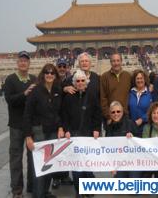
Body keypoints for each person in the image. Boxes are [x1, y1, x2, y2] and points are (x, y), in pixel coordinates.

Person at [24, 63, 62, 198]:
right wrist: (28, 136)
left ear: (55, 75)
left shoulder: (58, 90)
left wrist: (61, 127)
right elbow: (27, 114)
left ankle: (45, 191)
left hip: (52, 131)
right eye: (47, 72)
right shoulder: (36, 90)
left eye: (52, 73)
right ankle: (38, 194)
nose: (50, 75)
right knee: (39, 166)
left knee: (49, 163)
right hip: (38, 131)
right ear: (43, 74)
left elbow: (61, 112)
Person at [62, 69, 102, 195]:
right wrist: (66, 129)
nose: (80, 83)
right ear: (74, 82)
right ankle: (79, 190)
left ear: (86, 82)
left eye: (82, 81)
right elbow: (64, 116)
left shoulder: (92, 96)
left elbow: (97, 114)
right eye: (77, 81)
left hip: (88, 134)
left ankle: (89, 188)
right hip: (74, 134)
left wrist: (96, 129)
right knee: (76, 165)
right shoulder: (68, 97)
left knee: (88, 163)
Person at [4, 51, 36, 198]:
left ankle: (32, 186)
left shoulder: (34, 79)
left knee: (32, 157)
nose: (23, 63)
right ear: (18, 63)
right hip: (16, 125)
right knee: (16, 158)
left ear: (29, 64)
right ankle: (17, 190)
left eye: (26, 61)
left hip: (31, 125)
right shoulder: (10, 80)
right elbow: (10, 100)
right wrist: (25, 93)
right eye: (21, 61)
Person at [51, 58, 73, 189]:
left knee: (66, 150)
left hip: (67, 118)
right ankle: (55, 177)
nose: (62, 68)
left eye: (64, 66)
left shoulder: (71, 80)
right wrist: (63, 88)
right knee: (56, 150)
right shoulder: (52, 80)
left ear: (67, 67)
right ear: (56, 67)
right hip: (55, 119)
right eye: (60, 66)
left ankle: (64, 175)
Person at [105, 101, 137, 178]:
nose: (116, 114)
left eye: (118, 111)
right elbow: (107, 148)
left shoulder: (130, 123)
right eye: (113, 112)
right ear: (110, 114)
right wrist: (110, 166)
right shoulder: (109, 128)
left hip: (133, 162)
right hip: (118, 164)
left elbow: (140, 141)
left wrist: (134, 138)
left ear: (122, 112)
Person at [100, 52, 131, 127]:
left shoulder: (128, 76)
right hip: (111, 116)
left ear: (121, 61)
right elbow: (103, 98)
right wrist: (108, 115)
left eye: (118, 60)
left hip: (125, 115)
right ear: (110, 62)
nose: (116, 63)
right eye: (113, 61)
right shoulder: (104, 77)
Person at [128, 70, 153, 137]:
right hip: (132, 128)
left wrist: (142, 119)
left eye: (141, 78)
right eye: (137, 78)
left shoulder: (150, 93)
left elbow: (152, 109)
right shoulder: (130, 93)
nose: (139, 80)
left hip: (146, 127)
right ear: (134, 80)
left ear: (145, 79)